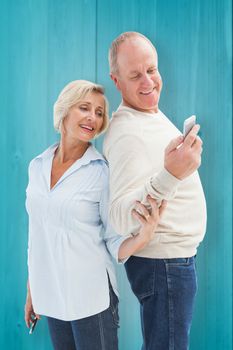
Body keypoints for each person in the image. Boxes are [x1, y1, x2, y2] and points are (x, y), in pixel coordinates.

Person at [24, 80, 166, 350]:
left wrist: (144, 236)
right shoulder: (38, 165)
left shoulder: (101, 172)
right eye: (85, 108)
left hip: (91, 300)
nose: (93, 117)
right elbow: (37, 233)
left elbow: (113, 239)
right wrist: (33, 287)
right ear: (65, 111)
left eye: (99, 113)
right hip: (52, 294)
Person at [103, 32, 207, 350]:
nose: (148, 82)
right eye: (135, 75)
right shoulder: (125, 135)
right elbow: (120, 216)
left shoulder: (145, 112)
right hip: (164, 267)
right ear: (116, 81)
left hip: (172, 264)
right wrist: (171, 174)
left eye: (152, 69)